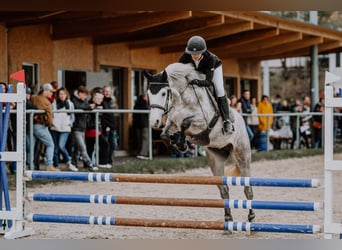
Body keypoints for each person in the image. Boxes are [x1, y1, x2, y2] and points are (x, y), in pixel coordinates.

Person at [178, 35, 234, 133]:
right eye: (192, 53)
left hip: (213, 69)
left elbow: (208, 82)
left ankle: (226, 121)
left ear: (202, 52)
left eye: (197, 53)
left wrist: (196, 82)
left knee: (219, 89)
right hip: (196, 71)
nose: (194, 56)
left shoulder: (210, 59)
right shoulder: (184, 57)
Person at [31, 83, 58, 171]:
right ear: (45, 91)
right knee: (50, 145)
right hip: (41, 126)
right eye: (50, 91)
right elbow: (50, 117)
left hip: (32, 125)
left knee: (31, 147)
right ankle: (49, 165)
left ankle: (30, 166)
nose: (52, 94)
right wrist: (49, 124)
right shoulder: (47, 102)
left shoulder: (33, 97)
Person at [70, 85, 99, 171]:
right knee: (82, 148)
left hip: (82, 128)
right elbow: (80, 106)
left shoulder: (83, 100)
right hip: (76, 128)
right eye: (85, 95)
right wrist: (89, 107)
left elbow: (86, 105)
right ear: (80, 94)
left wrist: (90, 106)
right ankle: (90, 164)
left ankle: (73, 164)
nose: (86, 97)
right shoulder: (74, 100)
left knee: (77, 148)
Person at [50, 87, 78, 171]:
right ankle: (56, 165)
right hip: (55, 128)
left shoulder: (70, 104)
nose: (62, 96)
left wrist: (70, 123)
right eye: (60, 94)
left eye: (63, 94)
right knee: (55, 149)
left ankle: (69, 161)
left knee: (61, 146)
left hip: (65, 128)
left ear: (66, 95)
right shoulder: (54, 103)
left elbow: (72, 116)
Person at [85, 87, 110, 168]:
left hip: (97, 129)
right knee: (102, 144)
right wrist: (94, 108)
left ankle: (91, 164)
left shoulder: (101, 105)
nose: (99, 100)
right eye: (98, 98)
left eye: (101, 99)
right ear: (93, 98)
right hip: (91, 129)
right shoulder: (89, 104)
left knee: (91, 147)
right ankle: (101, 163)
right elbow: (88, 114)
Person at [101, 85, 116, 165]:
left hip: (112, 127)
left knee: (113, 145)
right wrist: (106, 126)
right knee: (107, 145)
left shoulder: (111, 101)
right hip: (106, 127)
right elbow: (102, 116)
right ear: (103, 92)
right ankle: (105, 161)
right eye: (105, 91)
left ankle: (110, 161)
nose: (107, 93)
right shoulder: (102, 102)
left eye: (108, 91)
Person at [133, 93, 150, 160]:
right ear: (144, 97)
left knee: (140, 139)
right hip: (144, 124)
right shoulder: (144, 104)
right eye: (147, 96)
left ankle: (139, 152)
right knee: (145, 139)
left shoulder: (136, 104)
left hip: (137, 124)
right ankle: (143, 154)